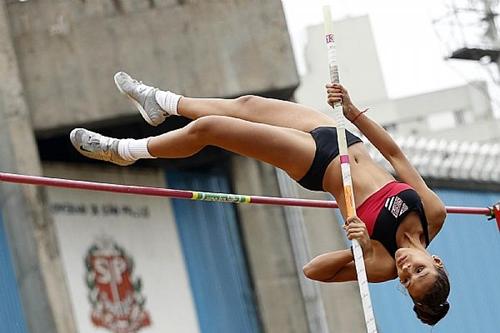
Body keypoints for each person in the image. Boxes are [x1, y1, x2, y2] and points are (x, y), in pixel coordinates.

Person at [70, 72, 450, 325]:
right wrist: (352, 113)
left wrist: (360, 248)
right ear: (435, 260)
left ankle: (125, 151)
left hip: (317, 163)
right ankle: (160, 102)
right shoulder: (433, 213)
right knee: (248, 104)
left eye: (406, 279)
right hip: (342, 138)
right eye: (418, 269)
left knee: (210, 129)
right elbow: (396, 156)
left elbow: (313, 270)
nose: (404, 268)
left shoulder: (380, 263)